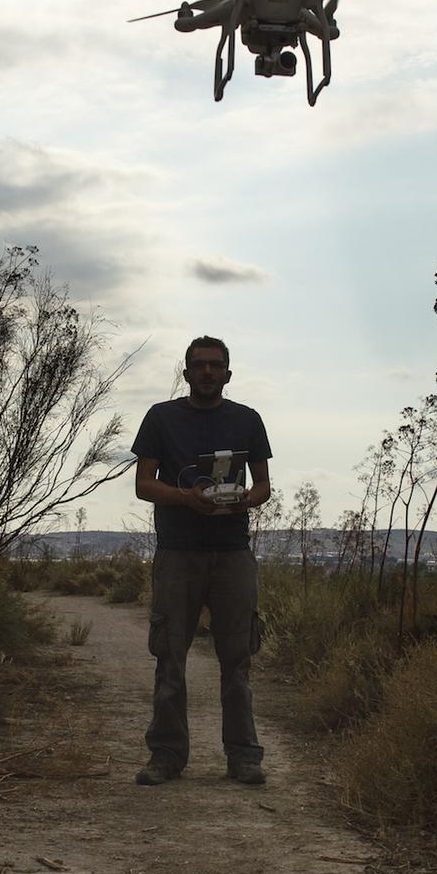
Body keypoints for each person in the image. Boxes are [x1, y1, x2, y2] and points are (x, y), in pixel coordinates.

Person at [129, 336, 273, 786]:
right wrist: (186, 500)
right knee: (170, 657)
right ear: (186, 371)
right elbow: (143, 484)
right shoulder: (161, 418)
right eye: (199, 365)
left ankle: (243, 756)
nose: (207, 372)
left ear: (228, 373)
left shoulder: (247, 421)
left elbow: (264, 487)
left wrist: (244, 499)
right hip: (178, 552)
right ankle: (167, 755)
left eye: (216, 366)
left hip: (232, 554)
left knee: (238, 659)